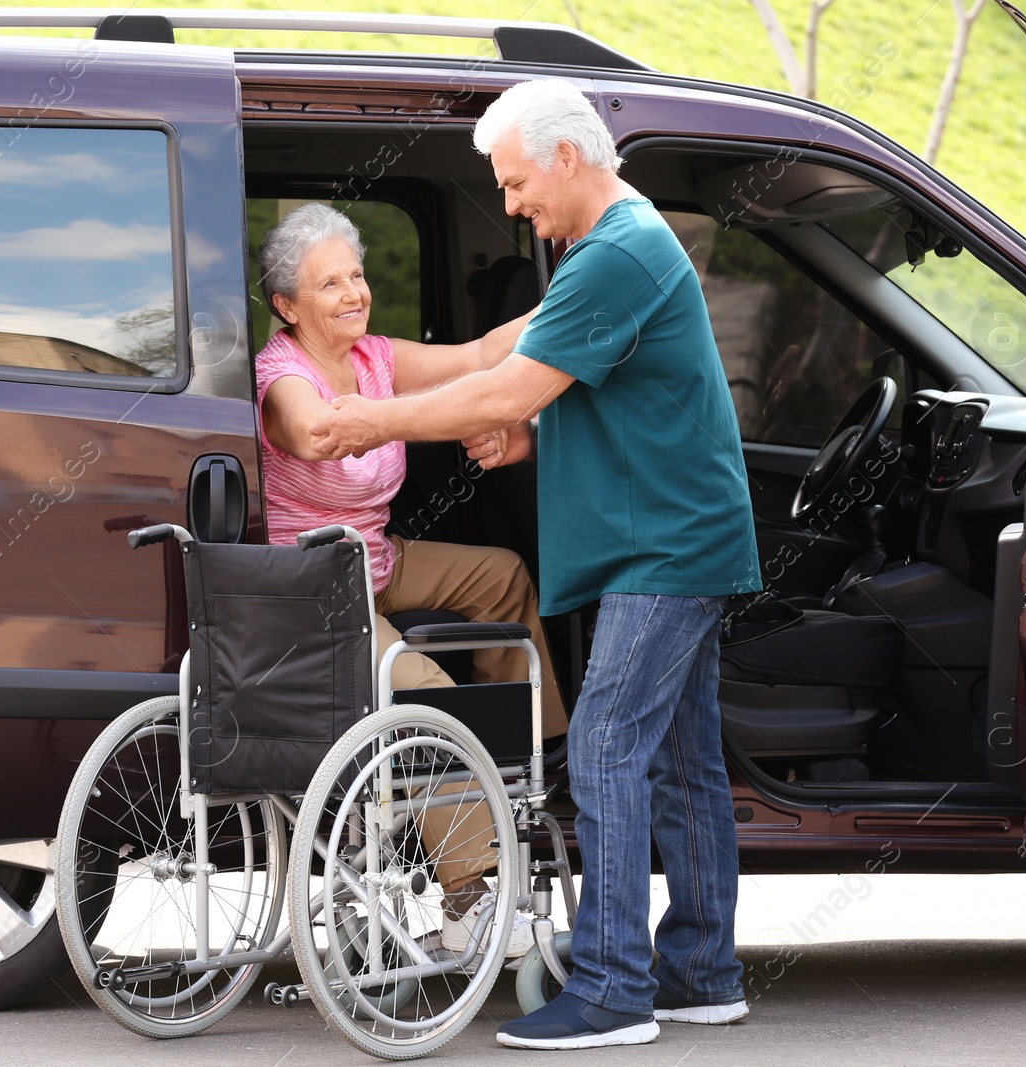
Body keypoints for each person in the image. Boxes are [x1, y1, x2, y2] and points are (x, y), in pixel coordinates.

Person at [308, 79, 762, 1049]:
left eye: (515, 182)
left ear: (565, 156)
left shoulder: (615, 253)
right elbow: (603, 396)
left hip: (668, 548)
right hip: (680, 536)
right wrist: (527, 441)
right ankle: (701, 972)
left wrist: (368, 420)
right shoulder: (610, 249)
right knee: (682, 763)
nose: (511, 204)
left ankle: (610, 988)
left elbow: (507, 384)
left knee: (601, 744)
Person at [253, 202, 569, 957]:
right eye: (330, 283)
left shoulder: (375, 357)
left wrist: (579, 298)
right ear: (287, 305)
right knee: (422, 683)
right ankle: (467, 890)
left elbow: (484, 352)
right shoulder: (280, 374)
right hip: (319, 587)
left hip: (378, 558)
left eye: (357, 275)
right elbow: (318, 433)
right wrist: (429, 415)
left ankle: (547, 768)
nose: (355, 292)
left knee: (506, 580)